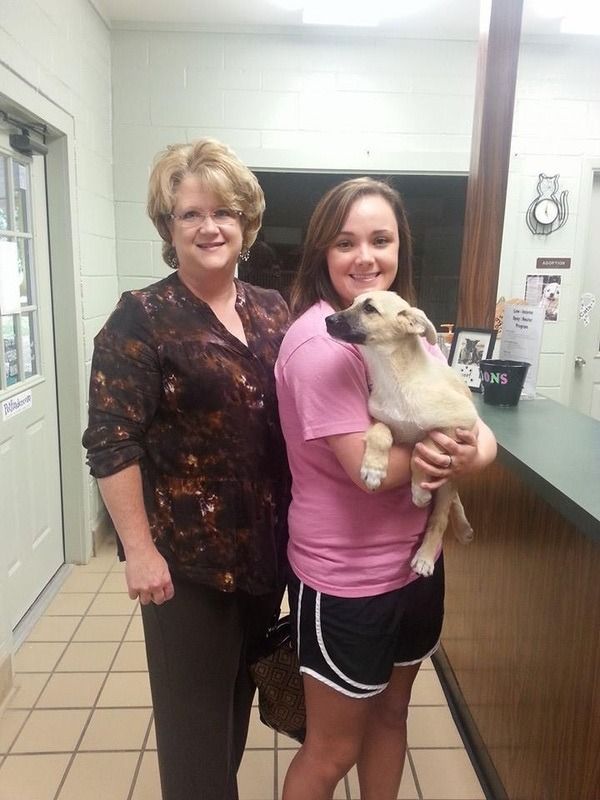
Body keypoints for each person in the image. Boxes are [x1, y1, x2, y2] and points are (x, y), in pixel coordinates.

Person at [275, 177, 497, 800]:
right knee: (331, 749)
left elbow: (478, 438)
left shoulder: (411, 332)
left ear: (401, 247)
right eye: (346, 242)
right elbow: (368, 474)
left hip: (416, 569)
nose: (365, 257)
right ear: (323, 250)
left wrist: (464, 451)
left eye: (381, 239)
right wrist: (447, 451)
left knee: (392, 718)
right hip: (347, 580)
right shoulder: (321, 346)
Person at [82, 138, 290, 800]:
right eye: (191, 214)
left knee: (231, 720)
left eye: (224, 212)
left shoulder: (270, 310)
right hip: (185, 569)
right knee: (194, 741)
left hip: (265, 559)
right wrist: (138, 551)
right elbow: (111, 441)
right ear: (168, 229)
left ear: (246, 223)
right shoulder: (139, 319)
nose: (210, 227)